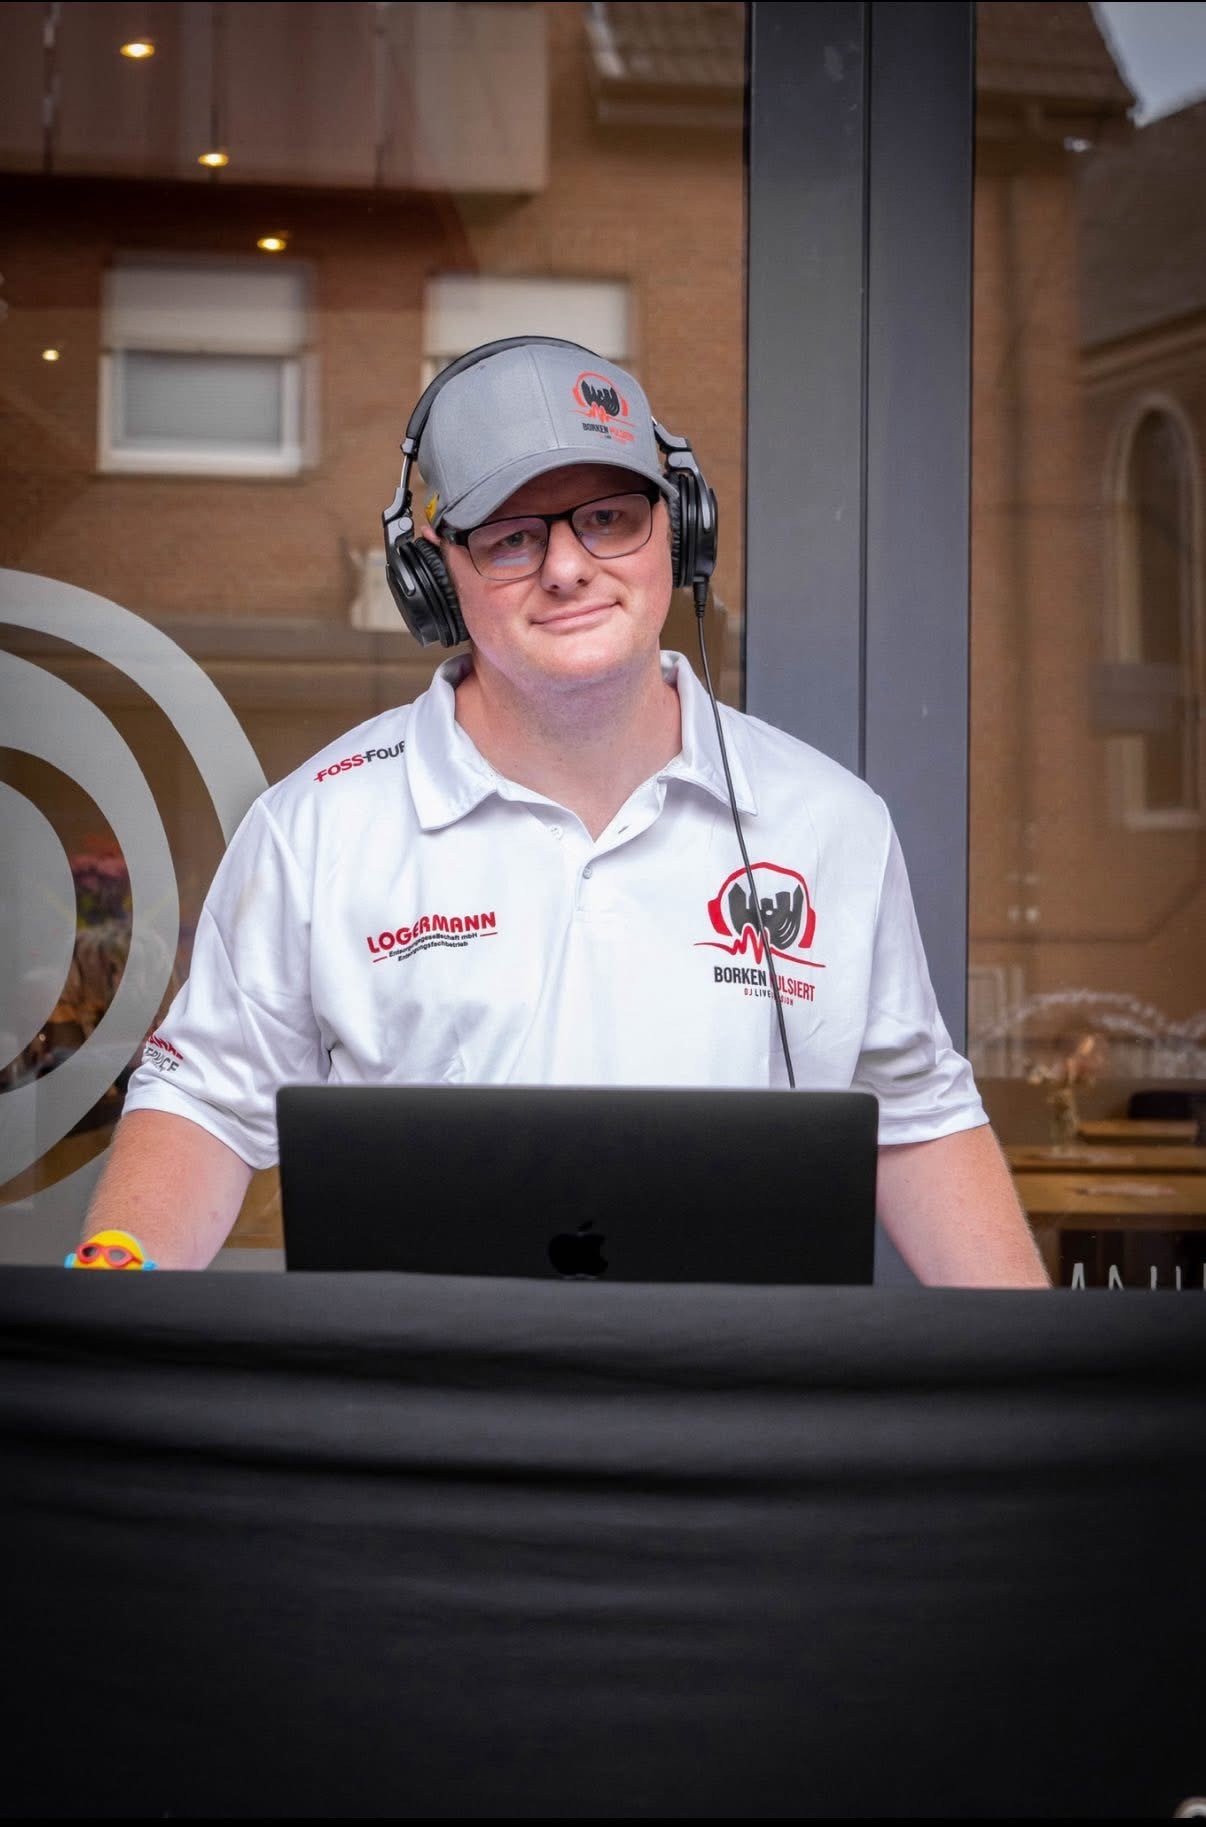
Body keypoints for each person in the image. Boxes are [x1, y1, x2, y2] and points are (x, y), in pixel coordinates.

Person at [80, 337, 1049, 1285]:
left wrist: (1034, 1371)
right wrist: (110, 1292)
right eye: (512, 536)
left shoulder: (828, 823)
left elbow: (918, 1119)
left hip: (735, 1386)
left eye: (609, 519)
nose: (567, 567)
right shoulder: (318, 828)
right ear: (435, 575)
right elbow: (203, 1102)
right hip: (428, 1384)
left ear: (680, 530)